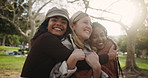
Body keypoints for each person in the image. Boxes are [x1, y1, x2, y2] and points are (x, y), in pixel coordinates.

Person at [21, 7, 85, 78]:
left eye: (63, 22)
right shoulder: (47, 39)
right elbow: (80, 64)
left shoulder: (51, 39)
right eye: (54, 20)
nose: (58, 24)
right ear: (46, 24)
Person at [50, 11, 111, 78]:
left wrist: (97, 68)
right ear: (73, 26)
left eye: (90, 24)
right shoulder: (64, 45)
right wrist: (72, 61)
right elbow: (54, 75)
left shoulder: (89, 48)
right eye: (85, 22)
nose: (89, 27)